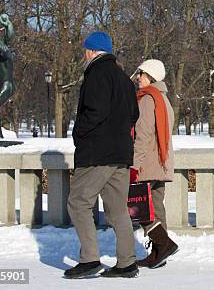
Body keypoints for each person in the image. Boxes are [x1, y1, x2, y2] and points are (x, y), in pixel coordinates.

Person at [64, 31, 140, 279]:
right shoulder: (124, 79)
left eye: (85, 50)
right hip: (121, 153)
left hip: (97, 152)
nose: (84, 55)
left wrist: (79, 134)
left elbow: (94, 112)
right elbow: (133, 116)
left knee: (78, 203)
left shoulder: (96, 74)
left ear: (92, 51)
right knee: (117, 209)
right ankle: (127, 263)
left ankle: (89, 259)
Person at [131, 59, 178, 269]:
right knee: (157, 209)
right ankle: (159, 254)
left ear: (151, 76)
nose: (137, 77)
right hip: (160, 164)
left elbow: (143, 135)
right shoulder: (163, 100)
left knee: (138, 208)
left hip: (147, 165)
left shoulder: (148, 99)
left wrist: (134, 165)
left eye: (141, 73)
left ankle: (164, 245)